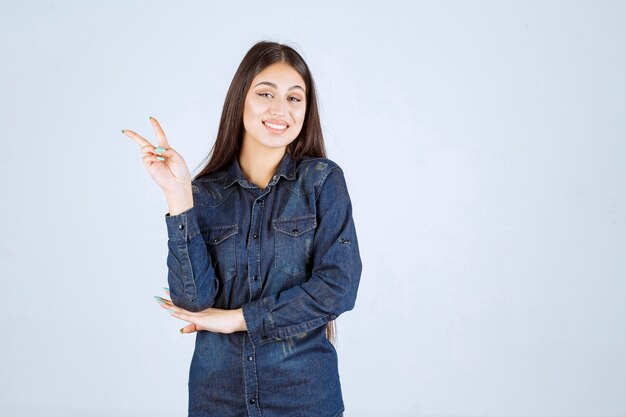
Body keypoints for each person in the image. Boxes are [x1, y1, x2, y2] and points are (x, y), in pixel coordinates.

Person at [122, 40, 361, 417]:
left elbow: (338, 287)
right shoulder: (204, 193)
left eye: (294, 98)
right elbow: (194, 303)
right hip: (217, 398)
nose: (280, 109)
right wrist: (178, 195)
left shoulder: (321, 181)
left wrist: (238, 319)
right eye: (266, 93)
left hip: (303, 398)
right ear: (241, 101)